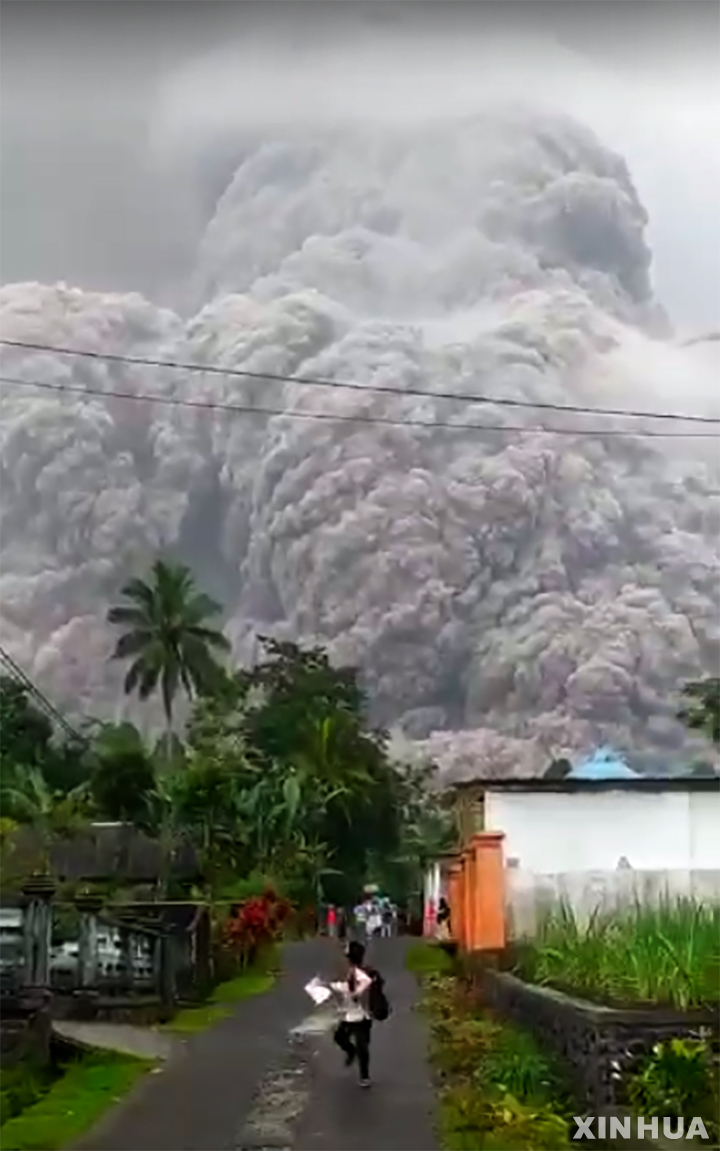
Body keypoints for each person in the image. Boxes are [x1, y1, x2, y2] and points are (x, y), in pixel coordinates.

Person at [331, 941, 374, 1087]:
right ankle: (351, 1052)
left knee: (362, 1046)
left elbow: (366, 982)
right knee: (340, 1037)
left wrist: (356, 993)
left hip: (361, 1016)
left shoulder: (358, 972)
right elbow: (344, 986)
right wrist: (334, 986)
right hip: (350, 1015)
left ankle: (364, 1076)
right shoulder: (351, 972)